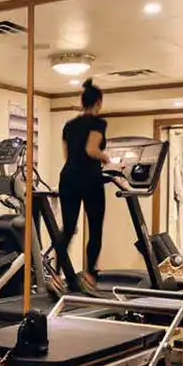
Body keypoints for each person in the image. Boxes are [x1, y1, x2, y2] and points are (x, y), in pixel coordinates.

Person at [55, 79, 109, 294]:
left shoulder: (69, 125)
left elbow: (66, 155)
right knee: (95, 228)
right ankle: (89, 275)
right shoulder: (98, 123)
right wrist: (107, 159)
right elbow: (91, 149)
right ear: (98, 103)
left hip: (68, 177)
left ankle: (60, 276)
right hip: (90, 179)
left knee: (68, 229)